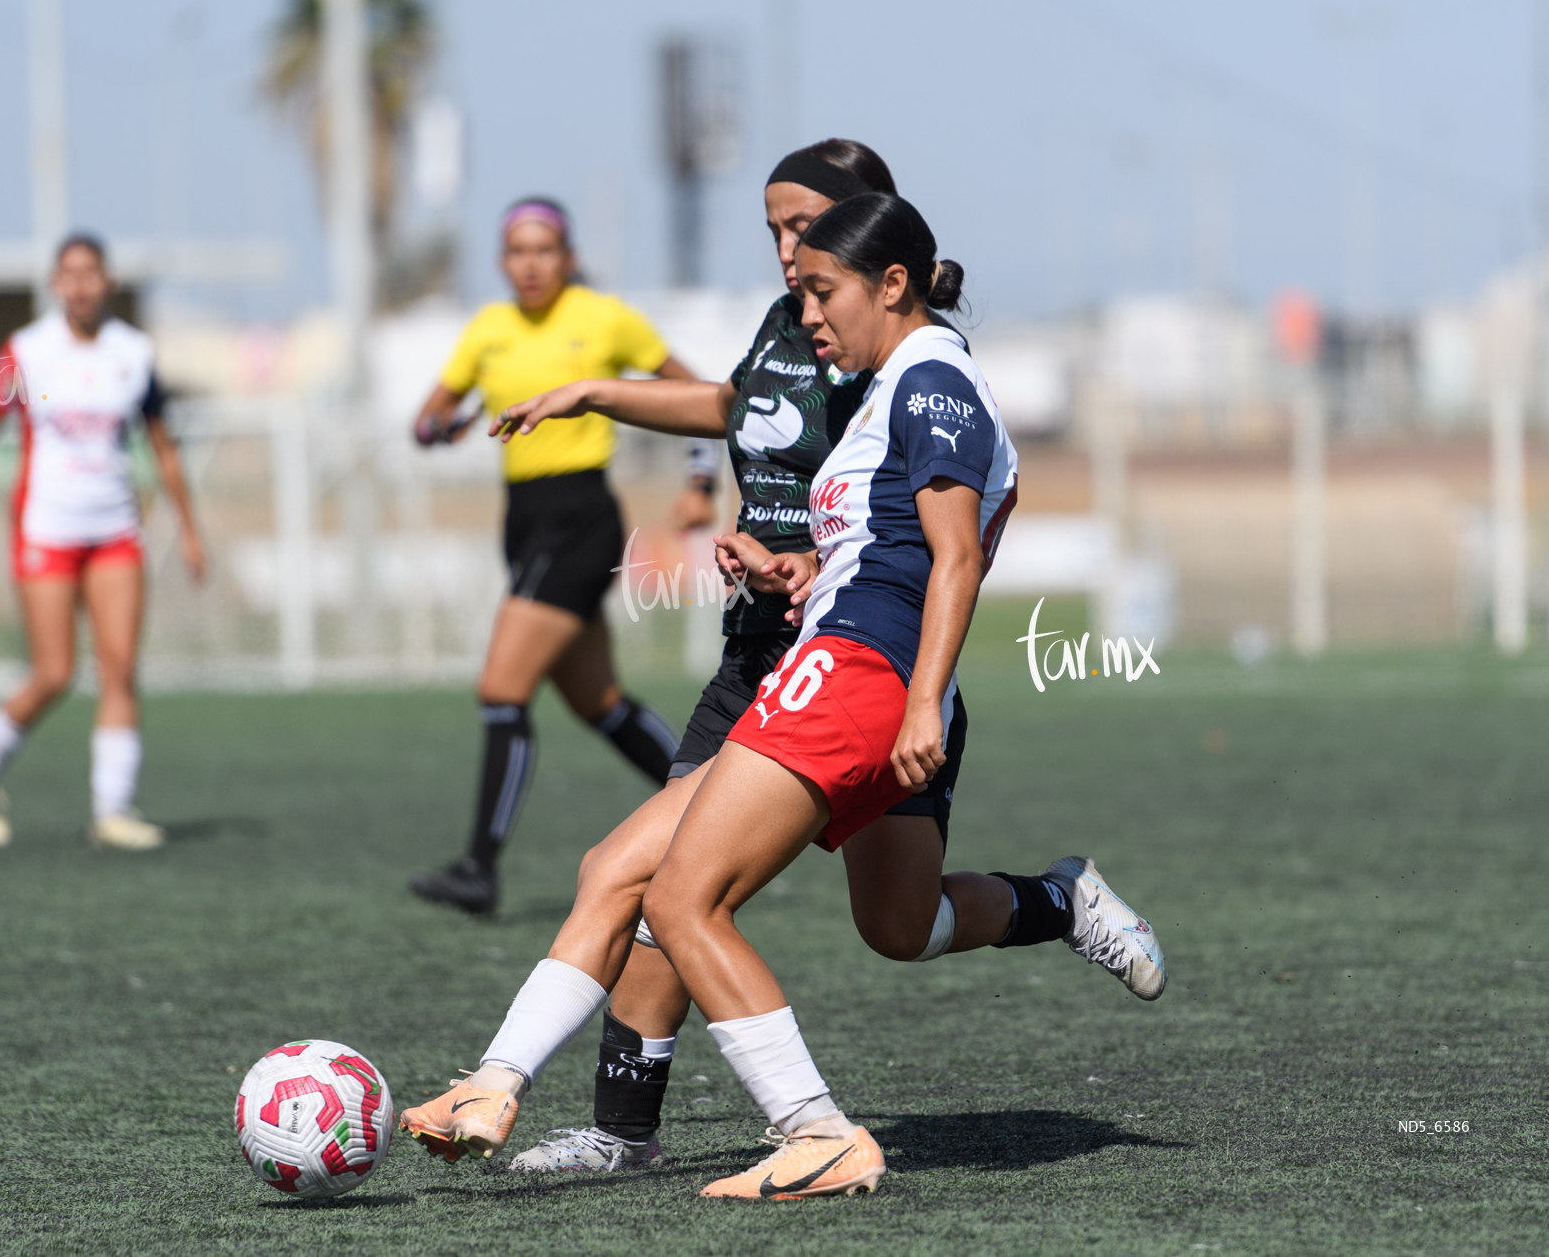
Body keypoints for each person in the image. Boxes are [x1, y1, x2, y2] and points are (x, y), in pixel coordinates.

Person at [401, 192, 1165, 1199]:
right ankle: (492, 1085)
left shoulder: (932, 377)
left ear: (891, 284)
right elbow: (888, 548)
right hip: (845, 660)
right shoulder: (893, 381)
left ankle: (814, 1133)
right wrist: (794, 568)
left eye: (819, 287)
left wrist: (921, 698)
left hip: (855, 676)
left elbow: (951, 561)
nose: (802, 310)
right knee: (882, 923)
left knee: (678, 895)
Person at [407, 197, 693, 917]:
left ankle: (479, 867)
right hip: (523, 520)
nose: (530, 264)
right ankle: (711, 804)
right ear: (502, 261)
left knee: (502, 691)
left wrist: (701, 480)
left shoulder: (603, 317)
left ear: (568, 256)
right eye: (517, 251)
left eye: (544, 250)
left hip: (580, 518)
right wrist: (441, 425)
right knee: (599, 703)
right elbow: (426, 419)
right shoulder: (489, 329)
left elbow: (704, 393)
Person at [0, 234, 206, 851]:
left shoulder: (134, 353)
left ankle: (112, 811)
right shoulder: (25, 352)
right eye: (69, 274)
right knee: (54, 673)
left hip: (114, 531)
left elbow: (162, 446)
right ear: (56, 284)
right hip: (46, 529)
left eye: (91, 273)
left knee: (121, 669)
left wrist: (190, 530)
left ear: (107, 282)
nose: (80, 284)